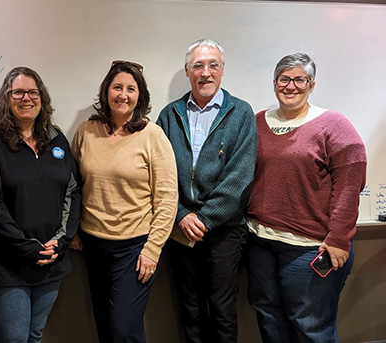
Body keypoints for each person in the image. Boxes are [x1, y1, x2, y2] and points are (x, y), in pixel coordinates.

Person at [246, 53, 367, 343]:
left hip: (308, 248)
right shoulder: (259, 121)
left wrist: (339, 238)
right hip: (260, 241)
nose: (291, 86)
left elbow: (350, 185)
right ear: (274, 83)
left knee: (311, 327)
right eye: (284, 79)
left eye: (299, 79)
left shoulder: (333, 124)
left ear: (311, 85)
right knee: (269, 318)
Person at [156, 39, 258, 343]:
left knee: (222, 310)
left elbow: (240, 178)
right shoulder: (169, 115)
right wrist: (181, 215)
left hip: (224, 230)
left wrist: (203, 219)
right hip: (180, 228)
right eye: (198, 65)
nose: (206, 72)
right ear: (188, 71)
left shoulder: (241, 112)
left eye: (213, 64)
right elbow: (160, 176)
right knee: (190, 309)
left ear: (223, 70)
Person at [71, 60, 178, 342]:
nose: (123, 94)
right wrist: (76, 230)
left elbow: (167, 198)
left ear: (140, 97)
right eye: (117, 87)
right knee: (105, 326)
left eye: (131, 89)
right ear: (106, 91)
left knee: (124, 330)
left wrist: (152, 249)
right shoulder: (86, 131)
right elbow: (74, 186)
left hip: (134, 248)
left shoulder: (152, 136)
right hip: (93, 245)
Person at [0, 66, 81, 343]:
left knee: (34, 336)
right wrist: (24, 245)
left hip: (51, 261)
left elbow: (73, 191)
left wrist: (61, 242)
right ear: (6, 98)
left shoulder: (57, 139)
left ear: (41, 97)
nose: (26, 98)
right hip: (9, 264)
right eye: (18, 92)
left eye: (32, 92)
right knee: (13, 339)